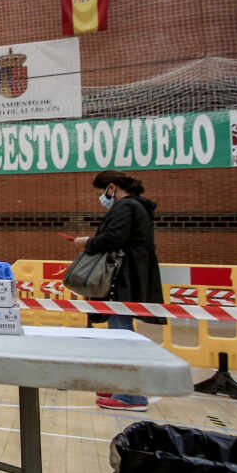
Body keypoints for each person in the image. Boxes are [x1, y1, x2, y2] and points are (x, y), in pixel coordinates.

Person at [72, 170, 163, 412]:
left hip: (122, 282)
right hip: (130, 279)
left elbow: (113, 239)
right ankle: (120, 387)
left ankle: (131, 396)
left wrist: (87, 243)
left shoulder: (125, 208)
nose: (101, 198)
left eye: (101, 192)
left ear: (112, 188)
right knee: (120, 331)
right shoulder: (138, 208)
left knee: (121, 336)